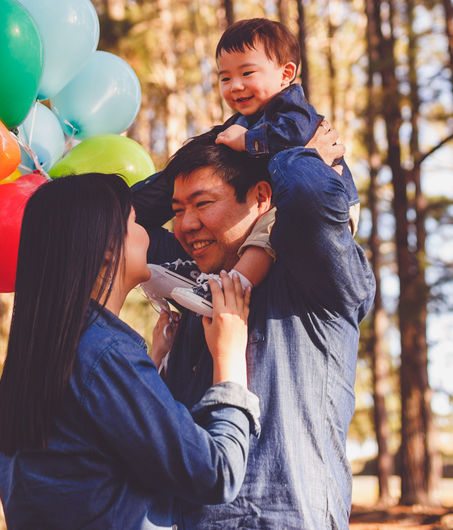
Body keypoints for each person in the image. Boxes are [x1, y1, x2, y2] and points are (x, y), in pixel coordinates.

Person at [134, 128, 374, 529]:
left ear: (262, 198)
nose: (186, 224)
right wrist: (220, 135)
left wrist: (277, 144)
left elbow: (309, 195)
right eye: (178, 210)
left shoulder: (312, 275)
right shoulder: (195, 286)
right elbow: (114, 221)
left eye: (203, 203)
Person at [0, 173, 260, 530]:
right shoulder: (103, 352)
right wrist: (229, 360)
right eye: (135, 223)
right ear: (107, 246)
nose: (147, 234)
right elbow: (217, 473)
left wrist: (150, 365)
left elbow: (85, 465)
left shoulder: (44, 352)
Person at [143, 18, 360, 316]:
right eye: (225, 78)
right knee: (265, 223)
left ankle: (233, 285)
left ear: (286, 74)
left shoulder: (290, 106)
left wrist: (248, 141)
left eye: (247, 73)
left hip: (332, 206)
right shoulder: (244, 121)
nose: (236, 86)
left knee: (268, 227)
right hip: (290, 201)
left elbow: (294, 136)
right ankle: (202, 275)